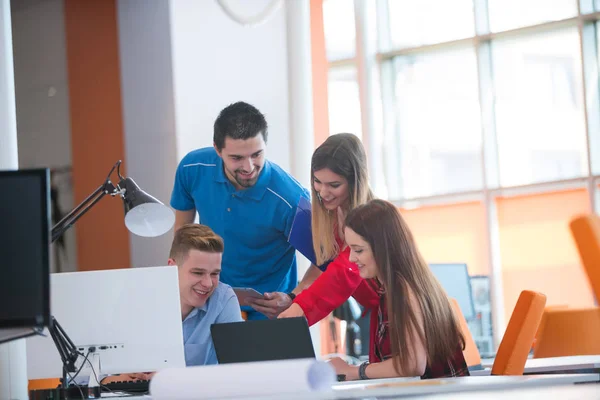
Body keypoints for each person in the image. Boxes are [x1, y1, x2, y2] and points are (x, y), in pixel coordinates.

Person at [170, 101, 312, 320]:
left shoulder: (292, 199)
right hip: (210, 300)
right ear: (217, 149)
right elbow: (182, 237)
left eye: (257, 154)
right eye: (236, 158)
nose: (248, 167)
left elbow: (326, 263)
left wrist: (293, 297)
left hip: (269, 311)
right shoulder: (192, 168)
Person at [328, 199, 469, 380]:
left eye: (359, 250)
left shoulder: (405, 292)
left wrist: (355, 371)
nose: (352, 259)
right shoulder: (395, 288)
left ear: (384, 248)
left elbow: (413, 364)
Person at [101, 224, 243, 383]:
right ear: (171, 267)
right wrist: (121, 378)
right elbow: (98, 373)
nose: (208, 283)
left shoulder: (223, 299)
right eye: (198, 273)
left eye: (214, 274)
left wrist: (171, 378)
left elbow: (238, 371)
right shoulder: (134, 298)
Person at [278, 133, 376, 324]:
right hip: (377, 318)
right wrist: (292, 297)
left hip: (399, 314)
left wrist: (300, 307)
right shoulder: (331, 215)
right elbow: (324, 266)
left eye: (334, 185)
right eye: (317, 182)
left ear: (356, 182)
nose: (323, 192)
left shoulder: (372, 221)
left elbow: (344, 272)